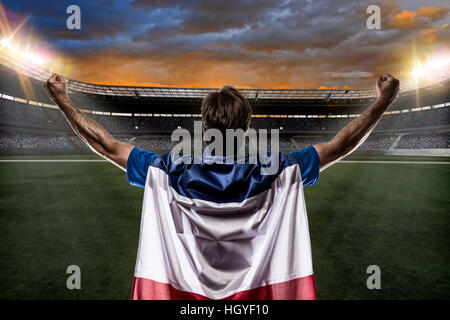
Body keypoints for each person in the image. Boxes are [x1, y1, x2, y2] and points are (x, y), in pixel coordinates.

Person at [44, 73, 399, 300]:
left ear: (203, 125)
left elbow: (107, 145)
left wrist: (62, 99)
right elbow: (341, 144)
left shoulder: (170, 170)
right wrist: (383, 100)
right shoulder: (279, 170)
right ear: (246, 128)